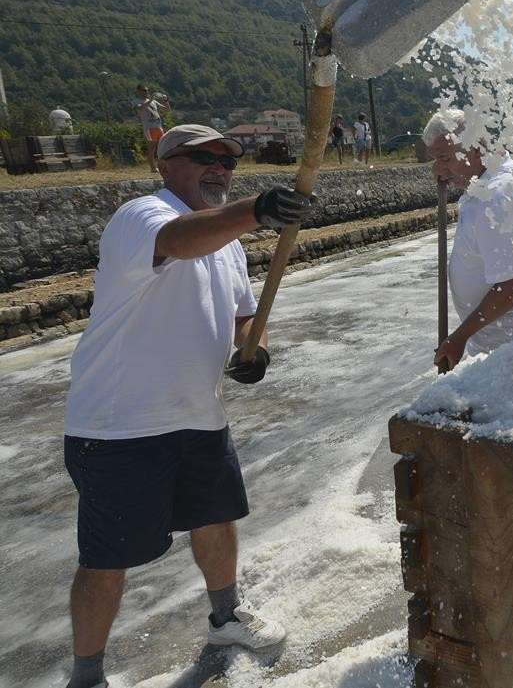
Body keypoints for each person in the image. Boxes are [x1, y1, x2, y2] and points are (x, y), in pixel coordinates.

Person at [61, 124, 316, 688]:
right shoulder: (142, 216)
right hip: (119, 425)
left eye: (228, 162)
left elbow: (244, 315)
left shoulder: (224, 245)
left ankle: (226, 619)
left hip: (200, 415)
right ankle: (87, 676)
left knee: (216, 522)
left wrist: (255, 350)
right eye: (202, 158)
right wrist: (259, 210)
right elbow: (180, 240)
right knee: (106, 557)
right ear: (164, 166)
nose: (219, 169)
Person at [425, 110, 513, 371]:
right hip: (507, 342)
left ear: (475, 148)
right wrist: (450, 167)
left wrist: (458, 338)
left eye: (444, 158)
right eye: (436, 160)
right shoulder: (497, 177)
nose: (438, 168)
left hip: (511, 348)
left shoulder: (493, 199)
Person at [135, 85, 170, 173]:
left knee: (162, 147)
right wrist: (150, 100)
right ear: (139, 91)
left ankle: (163, 167)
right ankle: (153, 168)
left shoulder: (153, 102)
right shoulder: (137, 101)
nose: (147, 92)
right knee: (152, 148)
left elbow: (167, 110)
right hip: (149, 128)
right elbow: (140, 108)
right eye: (144, 90)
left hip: (159, 126)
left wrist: (166, 100)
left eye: (147, 90)